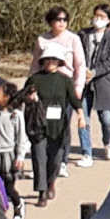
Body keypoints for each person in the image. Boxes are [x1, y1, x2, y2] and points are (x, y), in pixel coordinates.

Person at [32, 7, 87, 168]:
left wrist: (78, 86)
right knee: (43, 122)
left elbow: (80, 64)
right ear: (51, 21)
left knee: (62, 123)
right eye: (58, 19)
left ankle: (61, 159)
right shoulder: (42, 40)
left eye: (64, 19)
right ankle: (46, 157)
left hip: (65, 85)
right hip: (44, 85)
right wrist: (32, 86)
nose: (62, 23)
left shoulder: (73, 39)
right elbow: (35, 64)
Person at [23, 56, 75, 206]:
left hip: (58, 126)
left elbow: (73, 99)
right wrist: (29, 98)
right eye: (47, 60)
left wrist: (80, 114)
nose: (50, 63)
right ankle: (42, 192)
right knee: (39, 158)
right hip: (38, 124)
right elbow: (22, 97)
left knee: (56, 159)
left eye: (53, 60)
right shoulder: (35, 79)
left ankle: (51, 181)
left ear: (59, 62)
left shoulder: (65, 80)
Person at [77, 5, 110, 165]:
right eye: (96, 16)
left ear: (109, 20)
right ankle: (86, 153)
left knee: (106, 119)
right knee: (83, 119)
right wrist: (83, 72)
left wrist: (94, 72)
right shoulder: (82, 35)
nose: (98, 19)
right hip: (83, 84)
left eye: (102, 17)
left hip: (104, 83)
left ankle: (107, 141)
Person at [0, 81, 30, 219]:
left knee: (9, 186)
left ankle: (18, 204)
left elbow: (21, 138)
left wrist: (20, 156)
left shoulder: (16, 115)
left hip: (9, 155)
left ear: (6, 97)